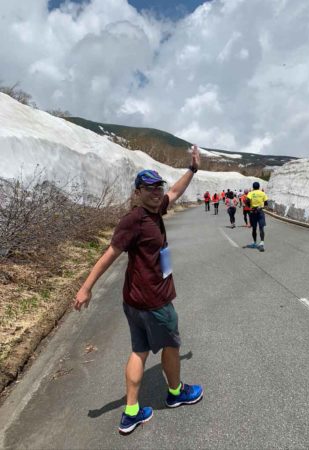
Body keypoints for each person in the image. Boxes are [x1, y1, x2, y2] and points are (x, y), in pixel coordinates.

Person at [74, 145, 203, 435]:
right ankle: (175, 393)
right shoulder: (134, 220)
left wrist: (192, 169)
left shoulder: (156, 210)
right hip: (154, 300)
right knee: (171, 345)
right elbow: (110, 253)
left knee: (140, 351)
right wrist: (86, 288)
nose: (157, 192)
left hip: (134, 301)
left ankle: (131, 412)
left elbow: (176, 192)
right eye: (149, 187)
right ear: (137, 192)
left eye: (159, 186)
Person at [245, 181, 268, 252]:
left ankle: (255, 242)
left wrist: (250, 207)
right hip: (260, 212)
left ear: (253, 187)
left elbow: (247, 201)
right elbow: (266, 203)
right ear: (259, 187)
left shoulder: (250, 193)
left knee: (254, 228)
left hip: (253, 212)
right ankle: (261, 243)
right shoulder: (263, 193)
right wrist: (261, 206)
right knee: (261, 228)